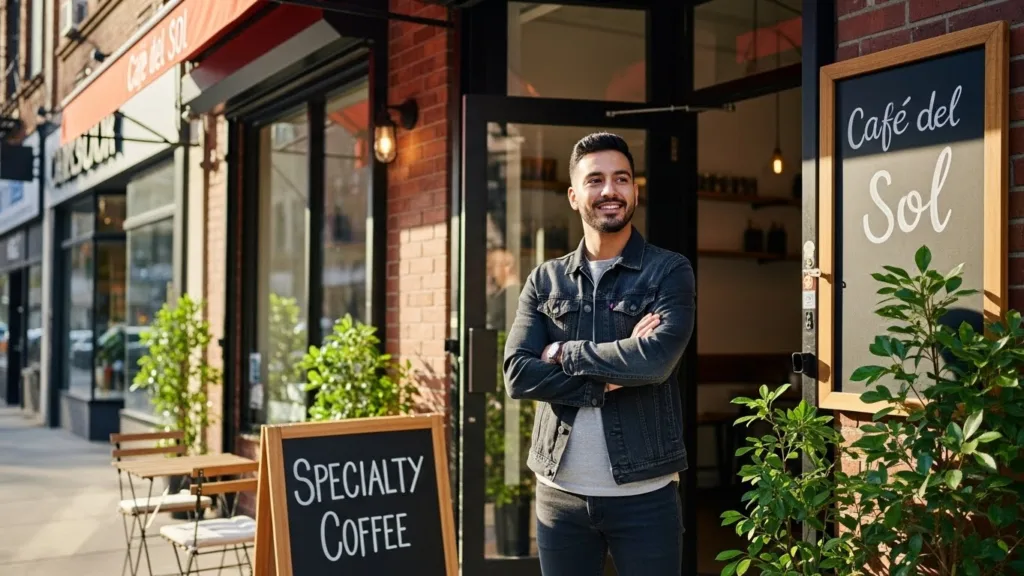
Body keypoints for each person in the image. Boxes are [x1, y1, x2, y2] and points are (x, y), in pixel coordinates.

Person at [503, 132, 696, 575]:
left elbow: (655, 361)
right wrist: (611, 373)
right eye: (595, 180)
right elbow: (517, 373)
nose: (609, 190)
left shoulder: (668, 271)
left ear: (634, 190)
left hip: (645, 496)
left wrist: (560, 351)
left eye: (621, 179)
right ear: (574, 195)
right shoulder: (545, 281)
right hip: (559, 497)